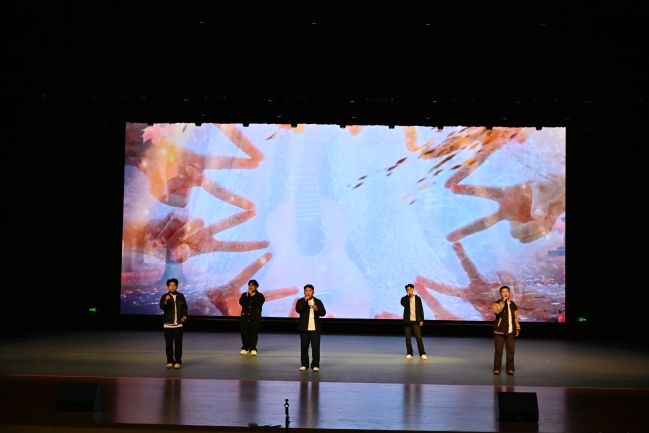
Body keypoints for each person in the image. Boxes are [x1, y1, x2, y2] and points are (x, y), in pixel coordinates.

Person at [296, 284, 326, 371]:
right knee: (304, 347)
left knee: (315, 347)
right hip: (304, 328)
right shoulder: (301, 301)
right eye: (306, 291)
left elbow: (323, 313)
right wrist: (305, 301)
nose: (308, 292)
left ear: (313, 292)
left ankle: (315, 365)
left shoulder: (318, 301)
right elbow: (298, 310)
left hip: (315, 329)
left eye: (310, 291)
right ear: (304, 292)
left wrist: (317, 309)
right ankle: (304, 364)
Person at [159, 278, 188, 369]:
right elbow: (162, 307)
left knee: (178, 344)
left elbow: (185, 308)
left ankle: (178, 361)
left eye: (174, 285)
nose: (172, 287)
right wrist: (166, 301)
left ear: (176, 286)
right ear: (168, 287)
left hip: (178, 325)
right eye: (171, 285)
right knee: (169, 344)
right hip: (168, 325)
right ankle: (170, 361)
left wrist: (184, 317)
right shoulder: (164, 296)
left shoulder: (180, 296)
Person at [492, 285, 521, 375]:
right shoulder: (497, 303)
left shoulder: (513, 304)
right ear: (501, 294)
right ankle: (497, 369)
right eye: (503, 292)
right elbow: (497, 311)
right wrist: (503, 302)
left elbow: (516, 318)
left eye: (507, 291)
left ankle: (510, 369)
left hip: (511, 331)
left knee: (511, 351)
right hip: (499, 331)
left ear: (509, 293)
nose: (505, 293)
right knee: (498, 351)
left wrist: (517, 328)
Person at [400, 284, 427, 359]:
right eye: (407, 290)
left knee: (418, 338)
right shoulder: (404, 298)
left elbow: (421, 309)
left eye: (410, 289)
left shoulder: (417, 298)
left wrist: (421, 319)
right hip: (407, 322)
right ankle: (409, 353)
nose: (409, 291)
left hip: (415, 321)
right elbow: (403, 304)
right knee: (408, 338)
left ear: (413, 290)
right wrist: (408, 297)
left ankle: (422, 353)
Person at [239, 279, 265, 355]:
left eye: (252, 285)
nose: (250, 287)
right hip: (245, 317)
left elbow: (258, 303)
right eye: (249, 285)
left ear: (256, 287)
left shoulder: (260, 296)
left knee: (253, 333)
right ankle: (245, 348)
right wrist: (247, 296)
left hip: (255, 318)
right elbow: (241, 303)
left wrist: (252, 296)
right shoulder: (245, 295)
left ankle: (253, 348)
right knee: (244, 333)